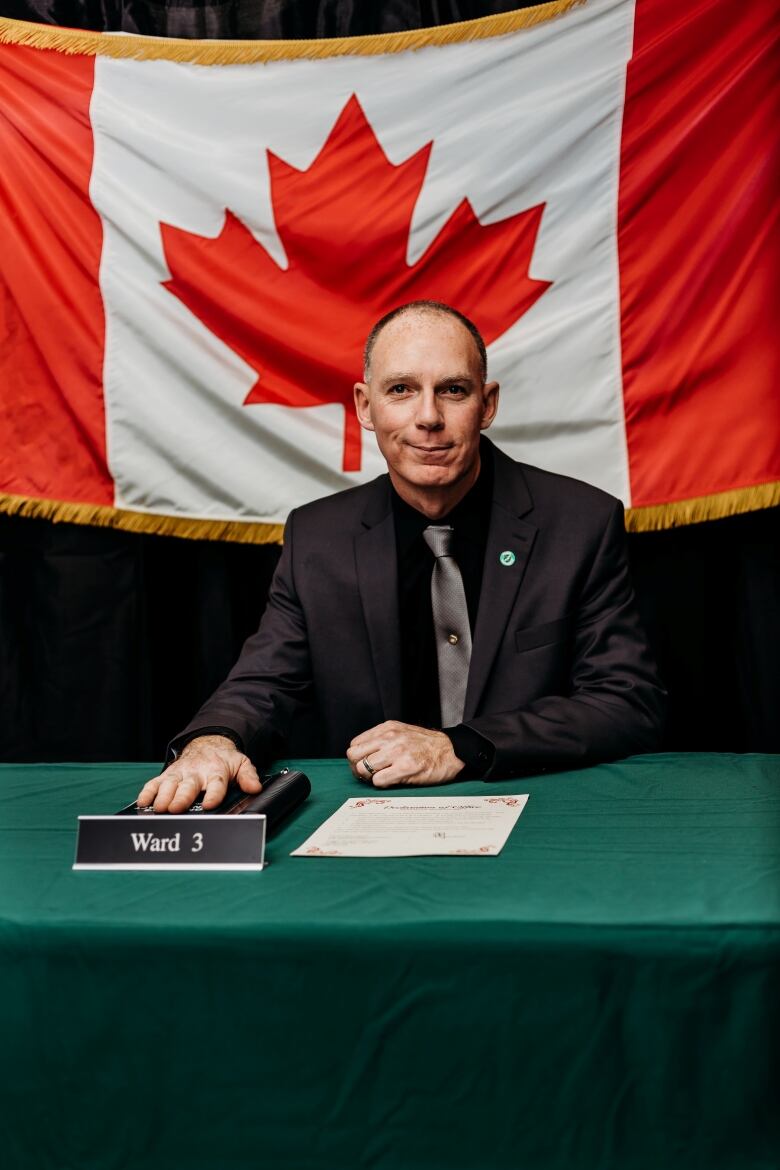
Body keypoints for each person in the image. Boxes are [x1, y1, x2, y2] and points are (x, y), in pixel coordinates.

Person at [137, 300, 665, 813]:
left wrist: (458, 746)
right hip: (369, 824)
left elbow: (626, 702)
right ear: (366, 407)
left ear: (488, 404)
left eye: (453, 390)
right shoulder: (318, 538)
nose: (428, 417)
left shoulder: (580, 523)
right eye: (402, 390)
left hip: (540, 813)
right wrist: (212, 740)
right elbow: (263, 683)